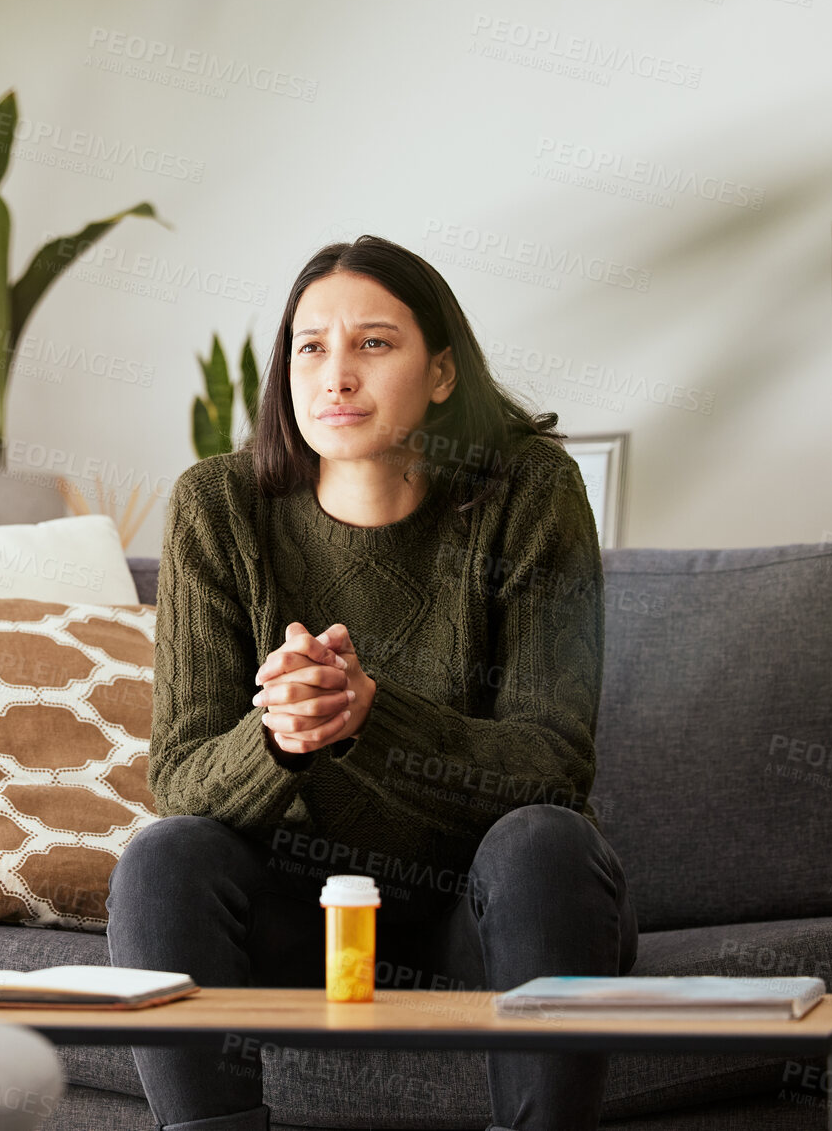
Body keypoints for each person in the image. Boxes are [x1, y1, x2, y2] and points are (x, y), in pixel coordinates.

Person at [107, 235, 639, 1131]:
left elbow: (553, 764)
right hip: (298, 924)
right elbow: (182, 776)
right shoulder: (219, 504)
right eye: (310, 347)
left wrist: (372, 719)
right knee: (164, 857)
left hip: (488, 915)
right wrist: (280, 732)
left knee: (543, 841)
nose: (335, 376)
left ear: (439, 374)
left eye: (373, 344)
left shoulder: (528, 492)